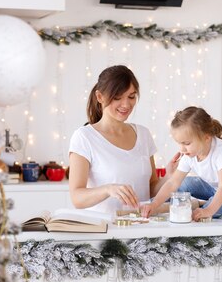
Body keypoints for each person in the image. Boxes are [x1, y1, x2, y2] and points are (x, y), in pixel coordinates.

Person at [68, 65, 179, 214]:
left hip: (143, 228)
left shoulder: (143, 134)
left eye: (131, 97)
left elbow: (150, 189)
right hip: (106, 230)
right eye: (117, 97)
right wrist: (108, 189)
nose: (126, 104)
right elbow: (77, 198)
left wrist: (168, 176)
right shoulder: (84, 137)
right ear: (100, 97)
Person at [141, 106, 222, 220]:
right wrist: (155, 204)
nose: (182, 149)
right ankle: (149, 207)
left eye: (186, 143)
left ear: (206, 137)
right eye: (180, 143)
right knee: (184, 184)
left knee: (214, 208)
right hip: (214, 188)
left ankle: (203, 207)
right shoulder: (189, 154)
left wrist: (208, 211)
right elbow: (173, 182)